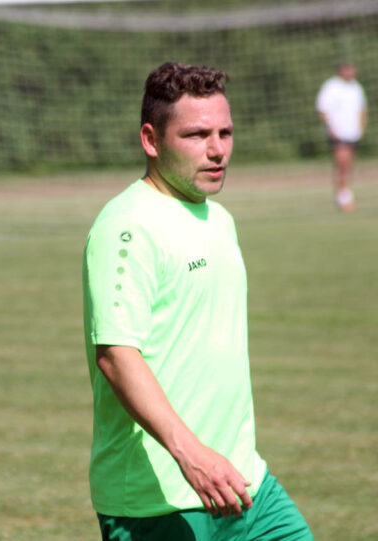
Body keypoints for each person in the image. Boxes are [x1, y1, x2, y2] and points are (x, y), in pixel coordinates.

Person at [82, 62, 313, 540]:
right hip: (160, 501)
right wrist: (191, 454)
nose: (217, 150)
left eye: (225, 133)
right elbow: (116, 356)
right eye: (196, 135)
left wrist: (223, 461)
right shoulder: (126, 227)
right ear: (151, 139)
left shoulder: (220, 219)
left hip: (246, 483)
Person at [316, 61, 367, 212]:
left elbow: (362, 109)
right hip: (338, 133)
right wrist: (331, 128)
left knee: (348, 165)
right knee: (342, 164)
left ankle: (344, 193)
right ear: (341, 71)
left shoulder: (356, 87)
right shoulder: (331, 87)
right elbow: (322, 109)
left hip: (353, 133)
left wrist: (361, 127)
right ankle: (343, 196)